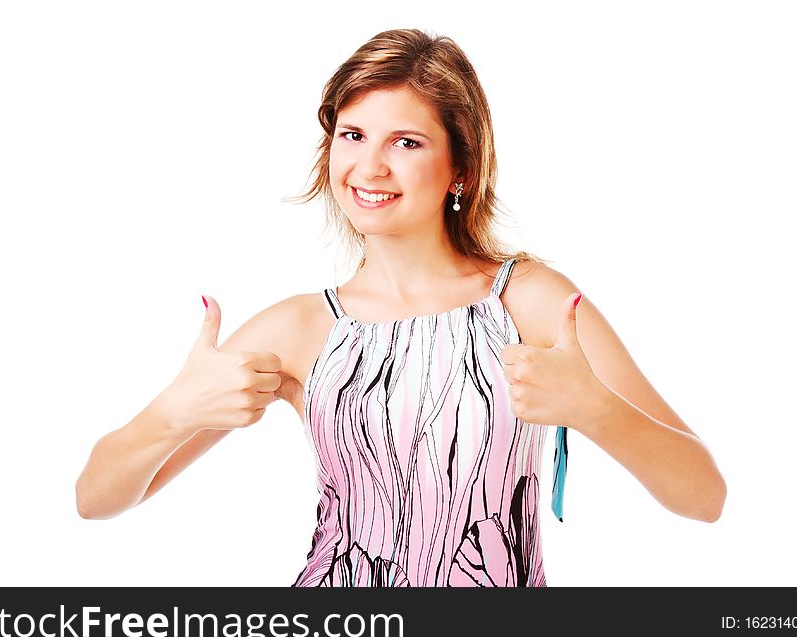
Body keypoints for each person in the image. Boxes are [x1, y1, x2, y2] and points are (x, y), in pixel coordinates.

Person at [75, 28, 726, 587]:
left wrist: (595, 410)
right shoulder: (300, 328)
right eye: (353, 134)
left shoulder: (533, 302)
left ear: (462, 167)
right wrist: (172, 411)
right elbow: (95, 498)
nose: (369, 166)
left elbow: (704, 495)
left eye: (406, 142)